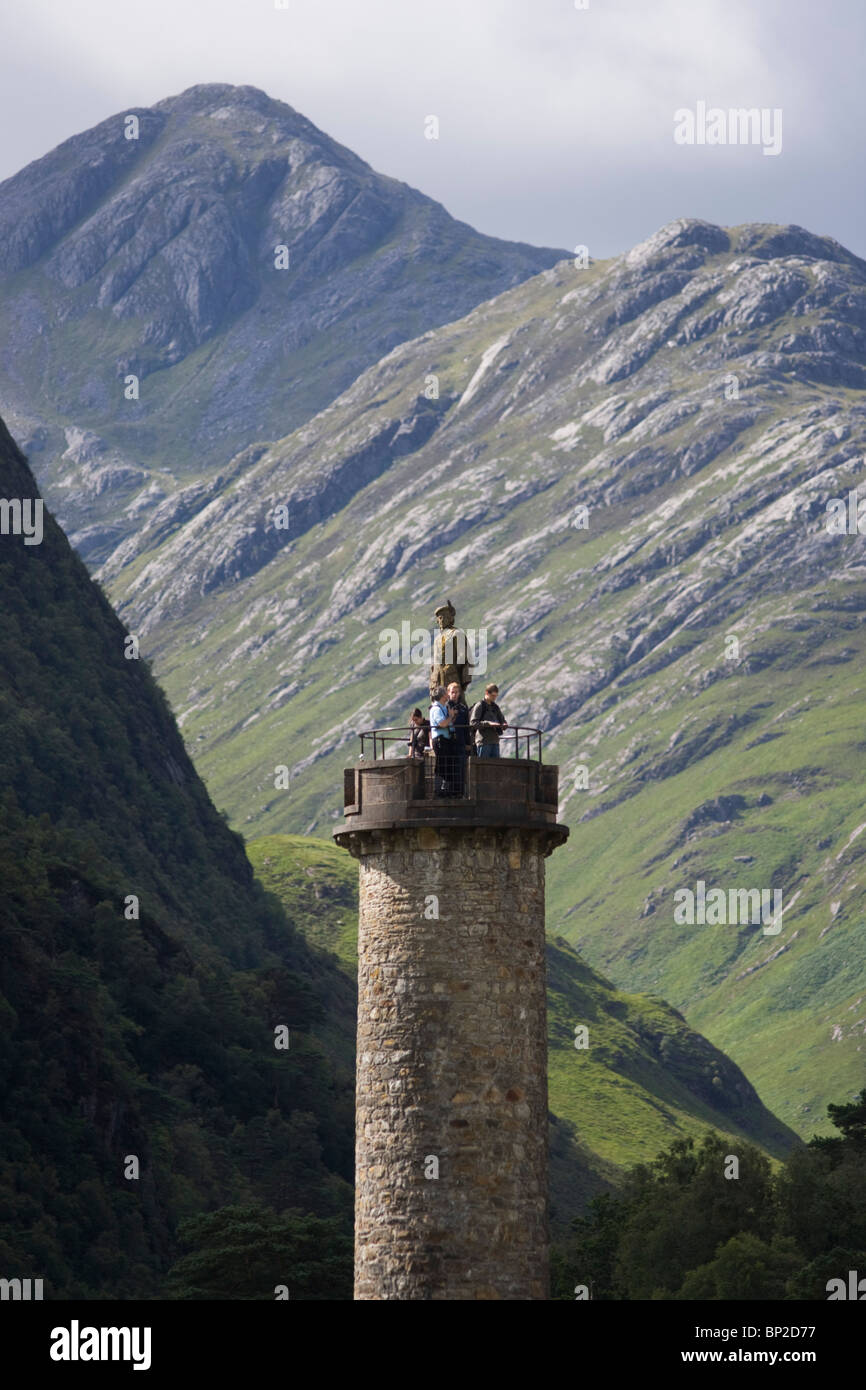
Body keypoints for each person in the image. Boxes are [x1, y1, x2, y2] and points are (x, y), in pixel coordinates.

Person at [429, 684, 458, 795]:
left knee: (446, 764)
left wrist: (451, 715)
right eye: (446, 693)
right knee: (442, 765)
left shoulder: (443, 708)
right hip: (441, 741)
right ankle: (439, 791)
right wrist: (450, 716)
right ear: (442, 696)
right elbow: (442, 723)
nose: (448, 695)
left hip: (445, 740)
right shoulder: (436, 709)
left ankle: (445, 790)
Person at [447, 681, 472, 795]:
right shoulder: (445, 707)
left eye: (457, 692)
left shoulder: (463, 708)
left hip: (461, 741)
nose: (455, 694)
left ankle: (460, 793)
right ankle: (449, 792)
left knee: (461, 768)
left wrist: (468, 742)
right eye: (453, 692)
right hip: (449, 741)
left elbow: (466, 727)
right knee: (449, 767)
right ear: (448, 693)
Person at [470, 683, 508, 758]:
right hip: (484, 741)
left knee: (495, 767)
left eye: (496, 696)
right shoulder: (480, 705)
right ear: (487, 693)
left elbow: (502, 720)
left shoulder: (495, 707)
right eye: (493, 696)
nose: (494, 698)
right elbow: (473, 723)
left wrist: (504, 724)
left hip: (495, 741)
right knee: (483, 766)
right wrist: (488, 724)